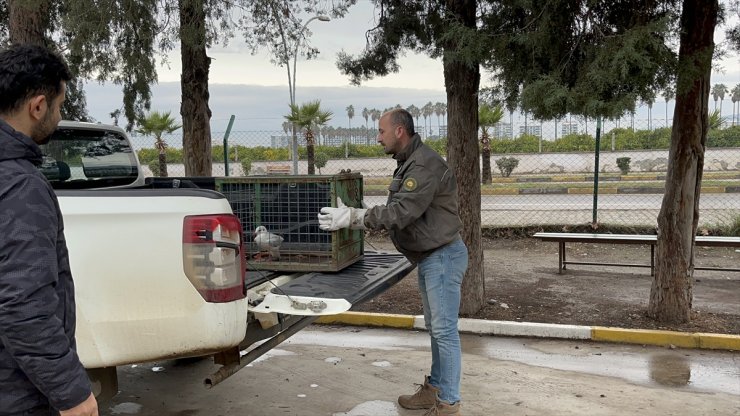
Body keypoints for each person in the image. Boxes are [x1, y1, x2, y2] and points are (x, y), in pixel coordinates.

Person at [318, 108, 468, 416]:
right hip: (432, 257)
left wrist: (355, 217)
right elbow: (400, 207)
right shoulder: (410, 162)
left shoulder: (423, 164)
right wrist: (360, 211)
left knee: (444, 330)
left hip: (443, 257)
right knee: (436, 329)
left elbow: (401, 213)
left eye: (381, 132)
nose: (378, 137)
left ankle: (449, 402)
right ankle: (435, 390)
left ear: (399, 131)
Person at [0, 44, 98, 416]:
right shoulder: (20, 186)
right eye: (59, 106)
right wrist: (72, 394)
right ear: (37, 106)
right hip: (17, 394)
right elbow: (22, 307)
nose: (59, 115)